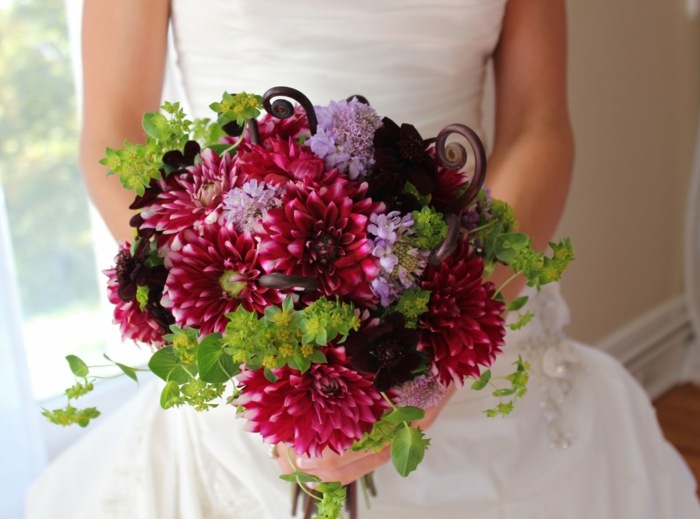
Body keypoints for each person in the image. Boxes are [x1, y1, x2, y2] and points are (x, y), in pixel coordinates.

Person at [27, 0, 700, 517]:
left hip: (456, 289)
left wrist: (446, 327)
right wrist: (239, 327)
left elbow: (540, 126)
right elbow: (114, 134)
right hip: (249, 319)